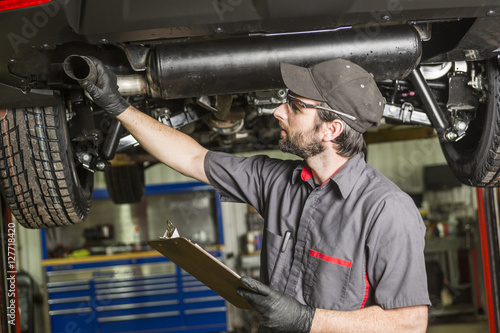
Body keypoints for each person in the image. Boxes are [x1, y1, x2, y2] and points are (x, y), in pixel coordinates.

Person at [79, 57, 431, 332]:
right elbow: (193, 157)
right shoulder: (276, 181)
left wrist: (307, 321)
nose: (279, 111)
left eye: (295, 105)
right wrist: (118, 108)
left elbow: (410, 323)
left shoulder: (387, 211)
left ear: (331, 128)